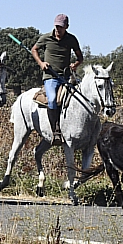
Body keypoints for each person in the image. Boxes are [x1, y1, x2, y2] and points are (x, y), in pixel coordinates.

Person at [30, 14, 83, 146]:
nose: (58, 29)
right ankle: (56, 131)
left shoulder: (71, 39)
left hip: (66, 77)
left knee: (79, 99)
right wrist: (41, 63)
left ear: (66, 27)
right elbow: (34, 50)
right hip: (50, 77)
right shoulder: (46, 38)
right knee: (52, 99)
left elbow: (80, 57)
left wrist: (75, 65)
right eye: (56, 26)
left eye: (61, 27)